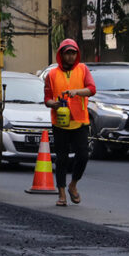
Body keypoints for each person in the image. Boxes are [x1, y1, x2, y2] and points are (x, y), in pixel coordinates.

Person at [43, 38, 96, 206]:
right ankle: (61, 194)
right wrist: (54, 104)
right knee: (62, 158)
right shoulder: (51, 75)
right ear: (61, 55)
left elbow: (92, 89)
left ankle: (73, 184)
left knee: (83, 155)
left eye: (73, 53)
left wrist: (77, 92)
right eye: (68, 53)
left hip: (80, 121)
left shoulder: (83, 69)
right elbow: (47, 99)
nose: (71, 57)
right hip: (60, 122)